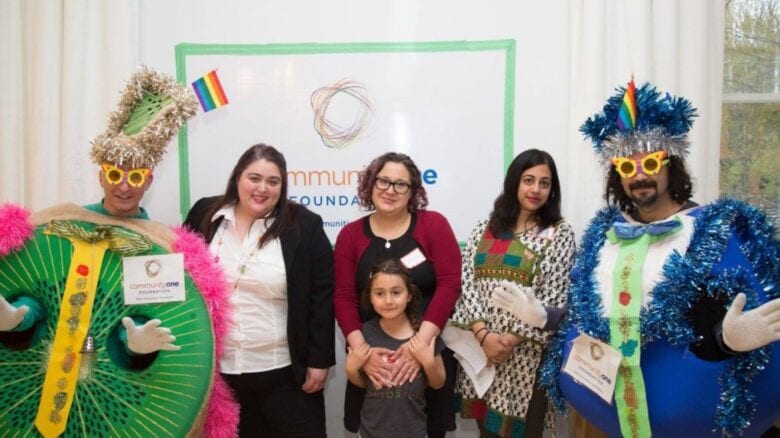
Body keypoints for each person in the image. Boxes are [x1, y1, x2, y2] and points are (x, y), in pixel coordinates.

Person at [533, 79, 780, 437]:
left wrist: (726, 339)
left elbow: (728, 310)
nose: (639, 176)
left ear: (670, 165)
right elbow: (592, 314)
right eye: (627, 168)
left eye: (650, 162)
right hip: (610, 415)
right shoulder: (605, 236)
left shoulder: (709, 231)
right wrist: (548, 317)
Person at [0, 66, 238, 437]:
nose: (124, 186)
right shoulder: (61, 222)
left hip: (110, 410)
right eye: (114, 174)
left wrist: (135, 344)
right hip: (32, 396)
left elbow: (148, 315)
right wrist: (20, 317)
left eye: (135, 176)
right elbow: (44, 289)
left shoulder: (159, 248)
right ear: (101, 175)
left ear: (149, 181)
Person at [184, 143, 335, 437]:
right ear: (237, 177)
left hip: (285, 374)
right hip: (221, 378)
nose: (262, 188)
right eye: (254, 178)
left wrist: (319, 361)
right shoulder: (205, 214)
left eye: (273, 181)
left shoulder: (304, 225)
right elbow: (184, 278)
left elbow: (321, 297)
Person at [450, 148, 576, 437]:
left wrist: (507, 341)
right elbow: (468, 285)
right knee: (487, 431)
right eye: (528, 180)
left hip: (526, 358)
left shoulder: (559, 233)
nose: (536, 189)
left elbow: (554, 298)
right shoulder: (485, 228)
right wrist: (485, 337)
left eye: (544, 183)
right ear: (514, 182)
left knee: (525, 431)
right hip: (481, 354)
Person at [334, 151, 462, 437]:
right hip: (370, 360)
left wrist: (419, 346)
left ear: (413, 191)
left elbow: (449, 284)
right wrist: (363, 352)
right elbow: (343, 296)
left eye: (401, 184)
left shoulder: (433, 225)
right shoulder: (350, 236)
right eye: (383, 181)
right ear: (370, 184)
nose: (390, 190)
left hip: (427, 355)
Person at [345, 258, 447, 437]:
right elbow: (363, 383)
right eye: (379, 293)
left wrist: (428, 362)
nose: (388, 301)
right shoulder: (364, 334)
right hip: (370, 432)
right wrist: (351, 369)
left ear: (409, 295)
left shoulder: (424, 333)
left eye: (396, 292)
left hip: (414, 432)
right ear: (370, 297)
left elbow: (438, 383)